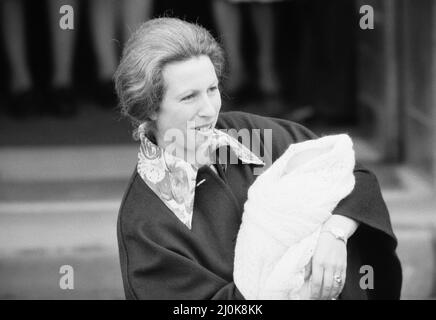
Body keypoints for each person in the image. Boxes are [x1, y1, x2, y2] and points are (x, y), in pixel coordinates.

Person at [115, 17, 402, 300]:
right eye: (189, 97)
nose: (209, 109)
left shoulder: (249, 136)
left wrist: (335, 233)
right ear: (150, 107)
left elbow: (352, 174)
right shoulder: (145, 223)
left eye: (212, 90)